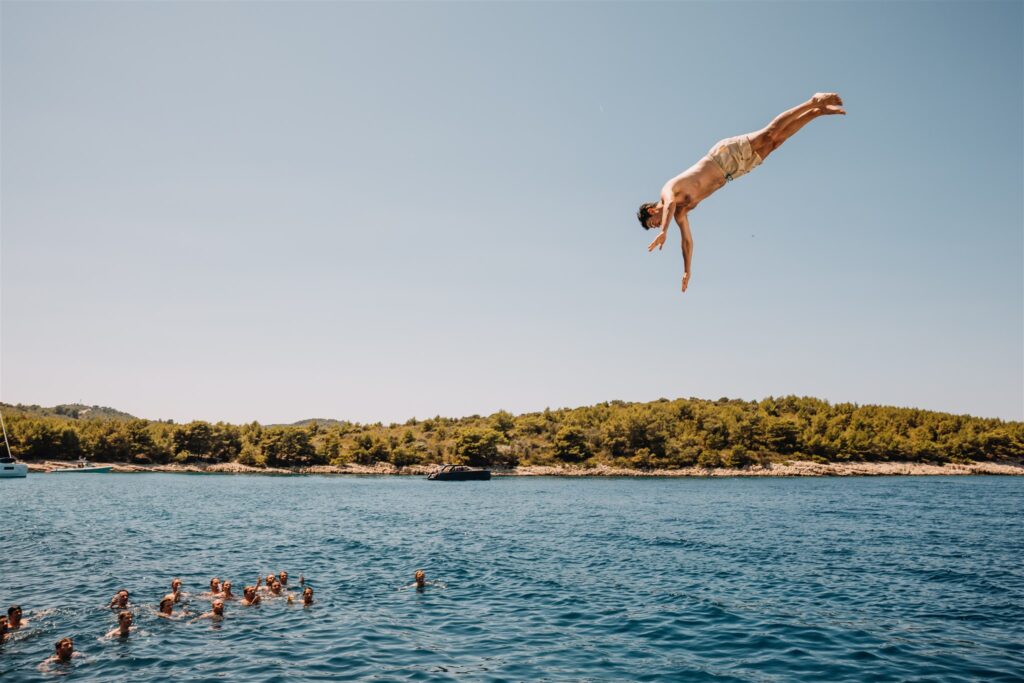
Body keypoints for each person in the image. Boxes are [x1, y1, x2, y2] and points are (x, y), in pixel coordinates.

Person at [637, 93, 845, 293]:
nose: (655, 226)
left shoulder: (667, 190)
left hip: (723, 156)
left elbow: (670, 202)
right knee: (775, 143)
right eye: (654, 227)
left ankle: (812, 102)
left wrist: (663, 231)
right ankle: (816, 112)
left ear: (651, 209)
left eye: (652, 222)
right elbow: (687, 242)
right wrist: (687, 271)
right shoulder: (680, 214)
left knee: (769, 133)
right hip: (732, 172)